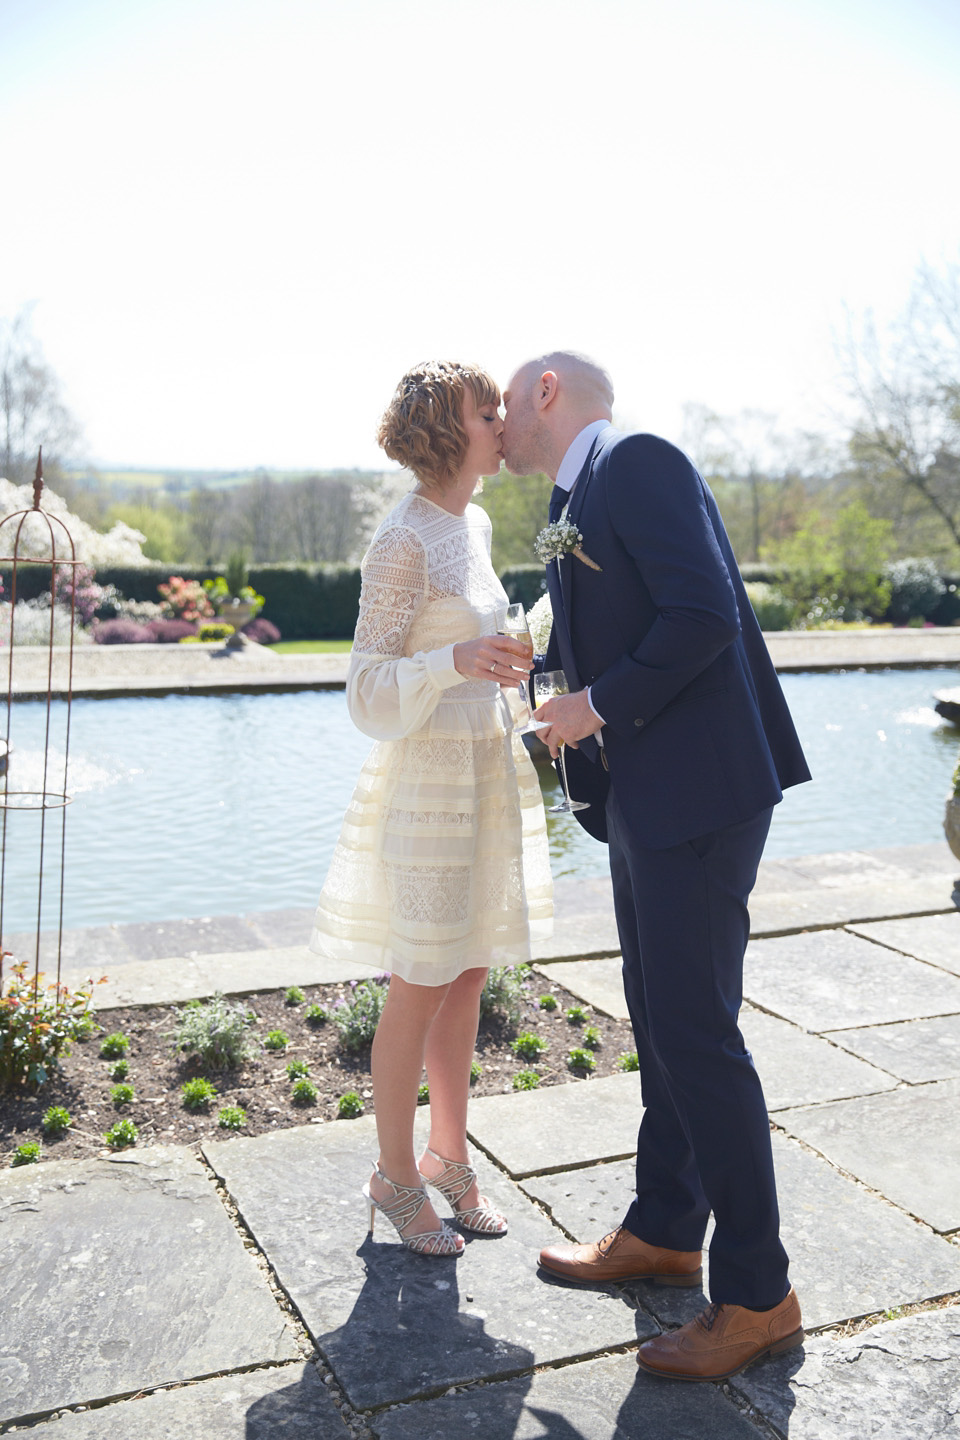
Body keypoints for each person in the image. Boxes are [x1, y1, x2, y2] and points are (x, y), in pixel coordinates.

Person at [501, 351, 811, 1379]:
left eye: (506, 403)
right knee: (665, 1017)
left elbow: (702, 615)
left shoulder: (636, 461)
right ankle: (669, 1230)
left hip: (700, 796)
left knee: (696, 1033)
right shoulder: (579, 493)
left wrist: (592, 707)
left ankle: (758, 1295)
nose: (496, 424)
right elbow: (625, 622)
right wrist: (554, 679)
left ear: (548, 389)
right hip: (652, 796)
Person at [311, 360, 552, 1258]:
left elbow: (475, 641)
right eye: (485, 409)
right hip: (424, 789)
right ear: (447, 433)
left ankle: (450, 1156)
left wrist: (511, 659)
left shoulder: (477, 521)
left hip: (486, 775)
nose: (502, 419)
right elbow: (365, 689)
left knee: (469, 975)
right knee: (416, 984)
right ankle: (394, 1177)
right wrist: (455, 664)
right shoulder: (401, 542)